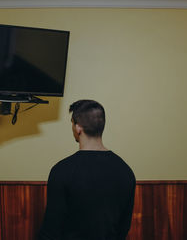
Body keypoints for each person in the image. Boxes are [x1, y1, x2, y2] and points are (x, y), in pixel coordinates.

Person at [38, 100, 136, 240]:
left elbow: (51, 230)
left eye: (72, 122)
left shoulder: (61, 171)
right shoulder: (126, 171)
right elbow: (123, 228)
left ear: (78, 127)